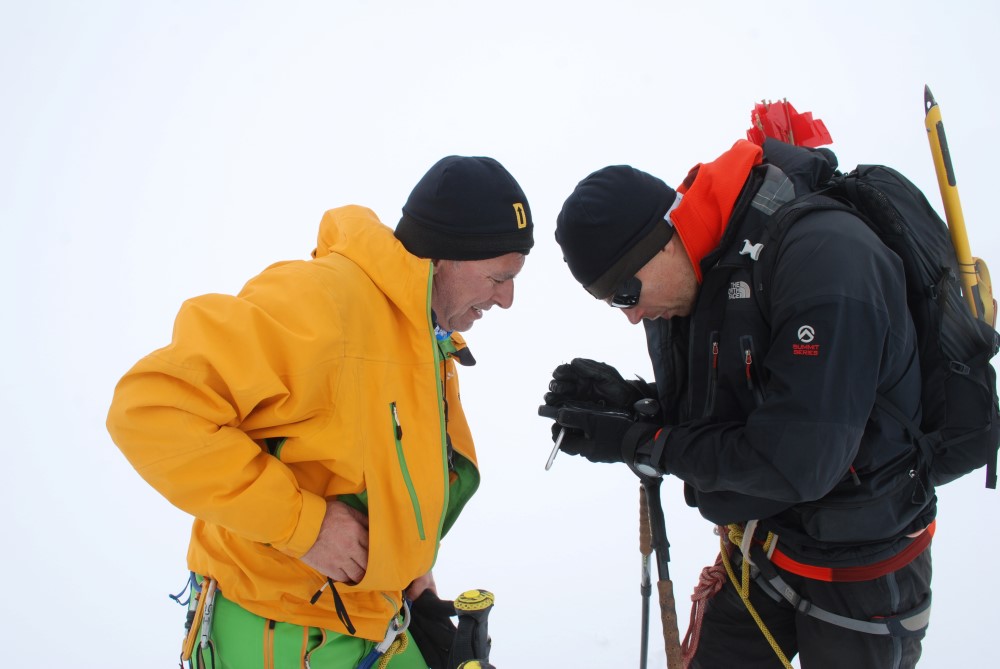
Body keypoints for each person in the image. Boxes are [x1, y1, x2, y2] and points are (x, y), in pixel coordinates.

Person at [106, 155, 533, 669]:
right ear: (445, 256)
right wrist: (304, 525)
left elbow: (373, 459)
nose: (507, 299)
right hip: (279, 627)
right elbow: (151, 408)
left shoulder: (422, 330)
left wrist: (410, 570)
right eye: (498, 277)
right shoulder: (321, 304)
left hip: (370, 615)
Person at [542, 138, 935, 669]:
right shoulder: (703, 272)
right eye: (614, 303)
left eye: (627, 294)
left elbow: (796, 460)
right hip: (768, 545)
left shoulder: (825, 260)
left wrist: (646, 443)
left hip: (863, 567)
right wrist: (632, 408)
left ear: (665, 240)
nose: (631, 316)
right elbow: (739, 409)